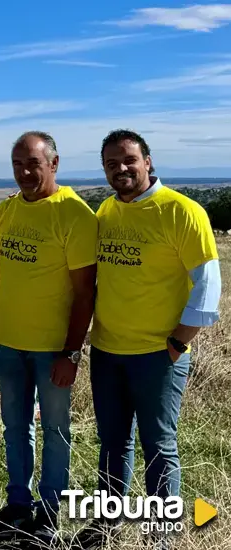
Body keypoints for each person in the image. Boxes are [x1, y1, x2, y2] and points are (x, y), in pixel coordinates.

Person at [76, 130, 221, 550]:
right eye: (111, 164)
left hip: (158, 355)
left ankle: (161, 535)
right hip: (107, 350)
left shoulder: (181, 211)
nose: (120, 169)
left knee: (159, 445)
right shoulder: (107, 209)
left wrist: (178, 342)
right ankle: (107, 524)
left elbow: (208, 284)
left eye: (129, 160)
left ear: (148, 162)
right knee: (112, 442)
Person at [0, 132, 97, 546]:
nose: (25, 172)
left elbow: (85, 292)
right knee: (14, 427)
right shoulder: (7, 209)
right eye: (17, 164)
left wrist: (71, 352)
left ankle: (48, 515)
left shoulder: (74, 214)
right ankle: (17, 506)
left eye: (33, 163)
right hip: (9, 344)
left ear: (54, 164)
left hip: (53, 349)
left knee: (56, 431)